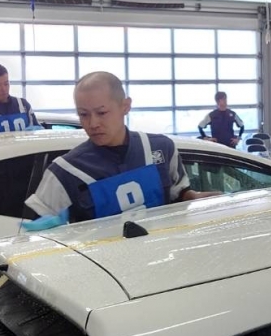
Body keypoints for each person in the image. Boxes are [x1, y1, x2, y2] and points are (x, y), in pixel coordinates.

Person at [26, 72, 209, 224]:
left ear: (125, 106)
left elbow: (178, 195)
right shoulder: (64, 171)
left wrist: (193, 198)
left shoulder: (161, 148)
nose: (93, 123)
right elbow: (37, 233)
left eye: (102, 112)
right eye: (83, 114)